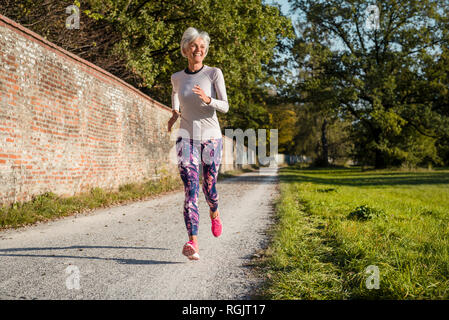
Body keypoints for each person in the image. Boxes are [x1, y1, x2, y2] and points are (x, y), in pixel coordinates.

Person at [167, 27, 229, 261]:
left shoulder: (214, 73)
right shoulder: (177, 77)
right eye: (194, 46)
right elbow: (175, 93)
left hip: (211, 137)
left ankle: (215, 212)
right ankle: (193, 242)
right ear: (185, 49)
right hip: (186, 137)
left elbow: (225, 106)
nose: (199, 50)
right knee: (190, 188)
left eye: (202, 47)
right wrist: (175, 112)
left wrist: (208, 99)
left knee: (209, 187)